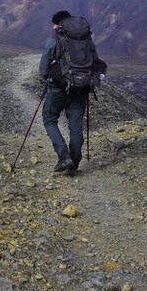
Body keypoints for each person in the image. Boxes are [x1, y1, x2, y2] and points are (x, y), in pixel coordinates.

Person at [38, 10, 105, 175]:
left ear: (59, 24)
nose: (53, 26)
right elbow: (95, 64)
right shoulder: (86, 42)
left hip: (58, 90)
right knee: (75, 125)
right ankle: (74, 161)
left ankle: (63, 156)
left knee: (49, 119)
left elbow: (43, 70)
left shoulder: (54, 42)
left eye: (54, 23)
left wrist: (49, 77)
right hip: (81, 89)